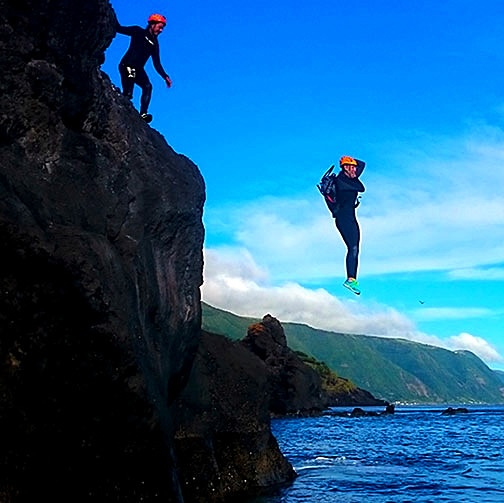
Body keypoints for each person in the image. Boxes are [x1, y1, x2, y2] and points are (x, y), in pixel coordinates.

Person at [116, 13, 172, 123]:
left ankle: (143, 114)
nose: (161, 31)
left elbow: (157, 63)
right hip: (126, 65)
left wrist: (165, 76)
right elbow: (118, 28)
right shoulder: (138, 32)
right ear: (152, 24)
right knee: (129, 89)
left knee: (148, 86)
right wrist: (110, 11)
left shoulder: (154, 43)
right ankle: (125, 100)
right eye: (160, 27)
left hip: (138, 69)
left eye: (162, 28)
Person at [332, 155, 366, 295]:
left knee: (355, 248)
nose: (354, 170)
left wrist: (350, 161)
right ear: (345, 168)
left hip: (350, 217)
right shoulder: (341, 181)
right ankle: (350, 279)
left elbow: (362, 164)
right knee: (352, 247)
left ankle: (352, 279)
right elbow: (361, 187)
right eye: (350, 167)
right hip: (343, 218)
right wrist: (348, 166)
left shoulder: (348, 178)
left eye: (354, 167)